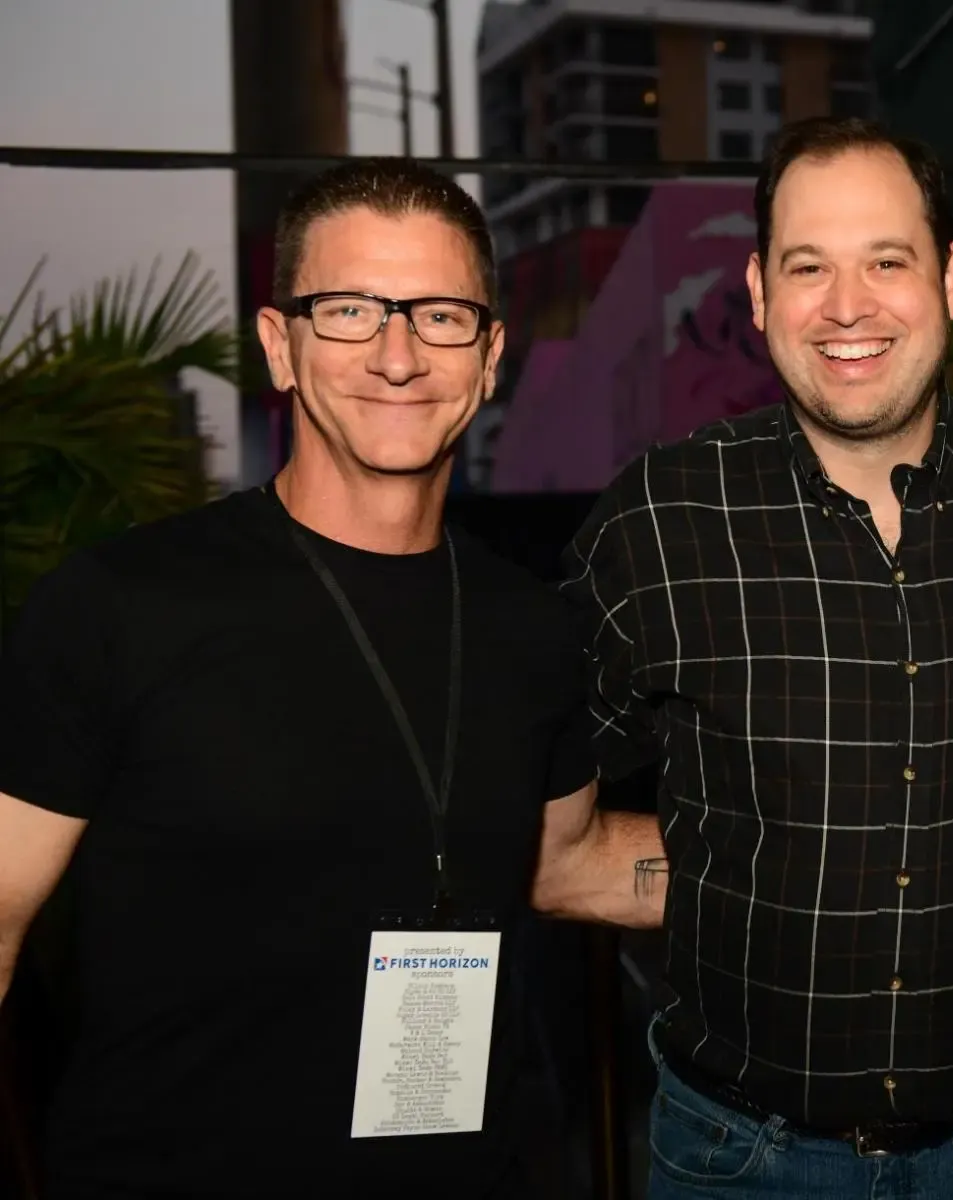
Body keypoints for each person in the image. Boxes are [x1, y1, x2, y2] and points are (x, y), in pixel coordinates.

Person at [0, 157, 655, 1200]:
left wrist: (856, 861)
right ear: (281, 346)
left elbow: (567, 863)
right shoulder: (119, 606)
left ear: (490, 356)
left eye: (441, 316)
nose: (397, 355)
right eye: (349, 311)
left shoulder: (532, 628)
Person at [553, 115, 953, 1199]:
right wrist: (739, 883)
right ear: (760, 292)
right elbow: (540, 830)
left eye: (887, 262)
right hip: (739, 1161)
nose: (847, 306)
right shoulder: (658, 524)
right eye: (809, 266)